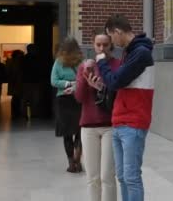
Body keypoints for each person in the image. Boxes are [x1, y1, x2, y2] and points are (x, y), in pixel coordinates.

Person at [95, 14, 154, 201]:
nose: (110, 42)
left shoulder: (141, 53)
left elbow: (115, 81)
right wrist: (102, 86)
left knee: (131, 177)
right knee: (122, 177)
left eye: (110, 37)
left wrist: (102, 62)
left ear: (118, 31)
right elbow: (120, 85)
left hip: (133, 123)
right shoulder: (129, 52)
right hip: (120, 121)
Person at [75, 29, 119, 201]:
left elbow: (119, 95)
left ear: (111, 46)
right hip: (88, 125)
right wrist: (86, 80)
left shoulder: (116, 65)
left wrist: (101, 88)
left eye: (105, 45)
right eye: (98, 44)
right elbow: (79, 97)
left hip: (110, 125)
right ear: (93, 45)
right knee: (92, 177)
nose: (101, 48)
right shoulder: (85, 66)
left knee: (107, 176)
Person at [51, 37, 83, 173]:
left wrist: (65, 83)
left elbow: (54, 81)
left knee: (67, 133)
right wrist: (73, 84)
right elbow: (84, 80)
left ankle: (71, 163)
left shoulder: (58, 62)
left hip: (63, 100)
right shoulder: (82, 62)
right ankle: (77, 159)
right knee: (80, 131)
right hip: (78, 99)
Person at [6, 50, 25, 119]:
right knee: (17, 97)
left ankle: (16, 112)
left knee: (16, 97)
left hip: (15, 82)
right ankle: (16, 112)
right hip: (16, 82)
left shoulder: (11, 62)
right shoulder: (15, 62)